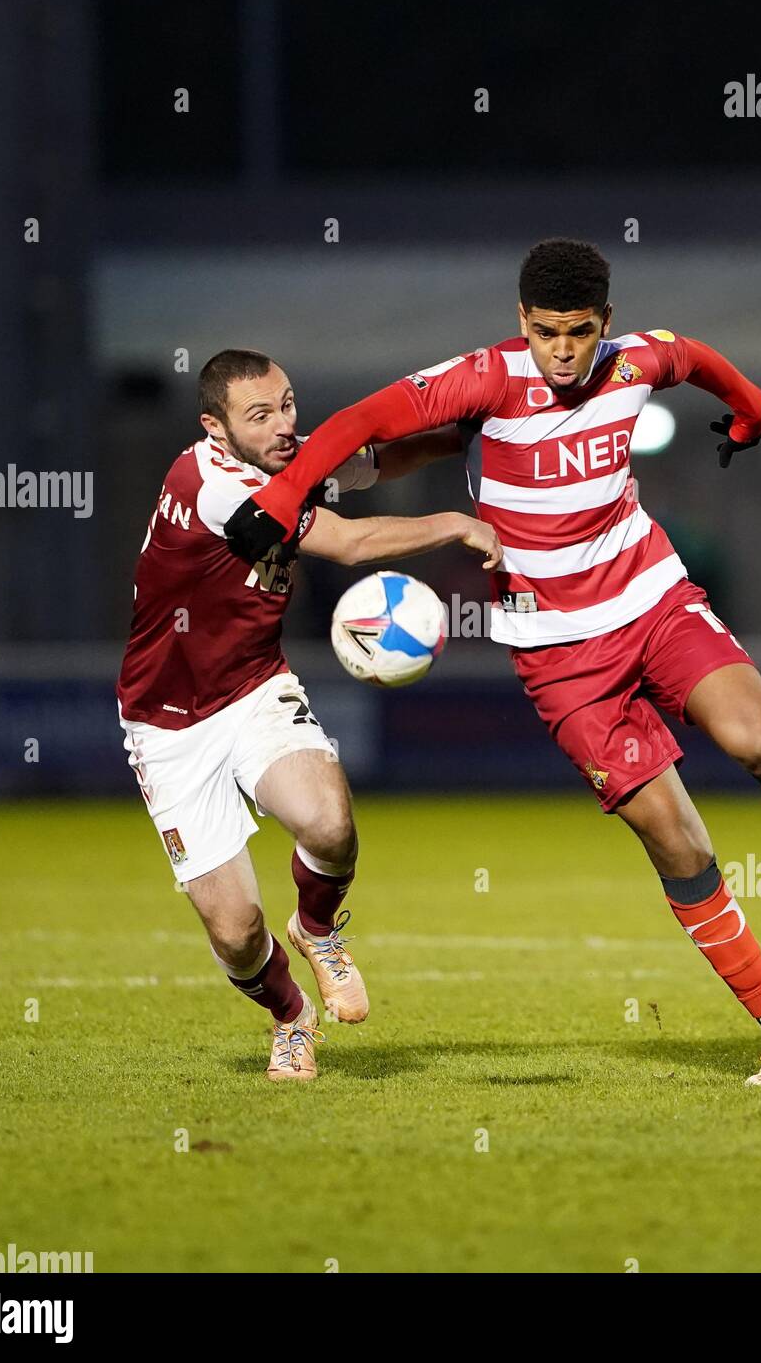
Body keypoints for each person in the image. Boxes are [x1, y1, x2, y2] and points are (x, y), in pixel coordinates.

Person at [224, 239, 761, 1088]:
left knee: (758, 739)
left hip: (653, 599)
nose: (561, 349)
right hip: (558, 654)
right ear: (523, 322)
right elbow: (363, 423)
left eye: (578, 332)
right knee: (675, 838)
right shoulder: (484, 378)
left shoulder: (633, 364)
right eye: (546, 331)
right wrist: (285, 498)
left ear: (605, 325)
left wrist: (753, 416)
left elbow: (698, 359)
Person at [116, 349, 500, 1081]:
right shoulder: (210, 484)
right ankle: (290, 1015)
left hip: (255, 687)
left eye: (288, 404)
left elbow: (378, 463)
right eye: (260, 415)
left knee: (329, 823)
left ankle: (317, 928)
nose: (286, 425)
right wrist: (455, 521)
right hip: (167, 726)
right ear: (214, 427)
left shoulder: (294, 462)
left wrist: (467, 435)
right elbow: (350, 542)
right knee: (235, 935)